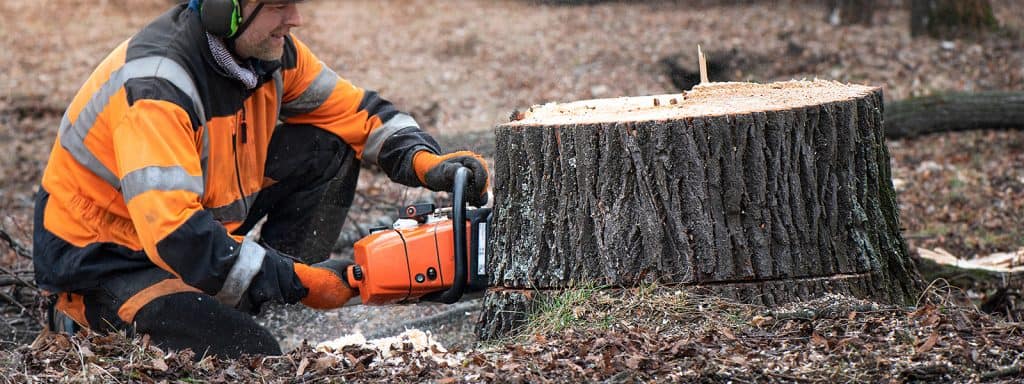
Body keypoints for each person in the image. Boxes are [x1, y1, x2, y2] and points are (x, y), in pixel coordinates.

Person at [32, 0, 489, 358]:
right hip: (107, 259)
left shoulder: (268, 54)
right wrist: (304, 284)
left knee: (327, 149)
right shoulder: (159, 87)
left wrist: (423, 160)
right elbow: (178, 238)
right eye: (277, 5)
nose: (295, 18)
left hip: (188, 230)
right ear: (224, 8)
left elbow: (357, 114)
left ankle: (266, 298)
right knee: (254, 356)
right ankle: (81, 317)